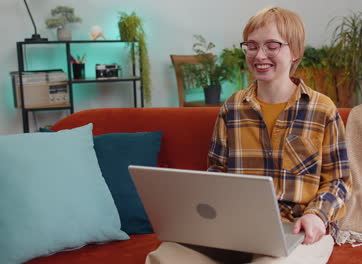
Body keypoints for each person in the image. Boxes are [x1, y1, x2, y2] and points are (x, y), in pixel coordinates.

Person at [146, 6, 351, 264]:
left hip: (299, 230)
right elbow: (217, 174)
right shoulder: (232, 108)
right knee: (165, 256)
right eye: (252, 46)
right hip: (238, 230)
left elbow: (339, 180)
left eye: (272, 46)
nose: (259, 55)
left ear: (295, 51)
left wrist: (317, 216)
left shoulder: (322, 109)